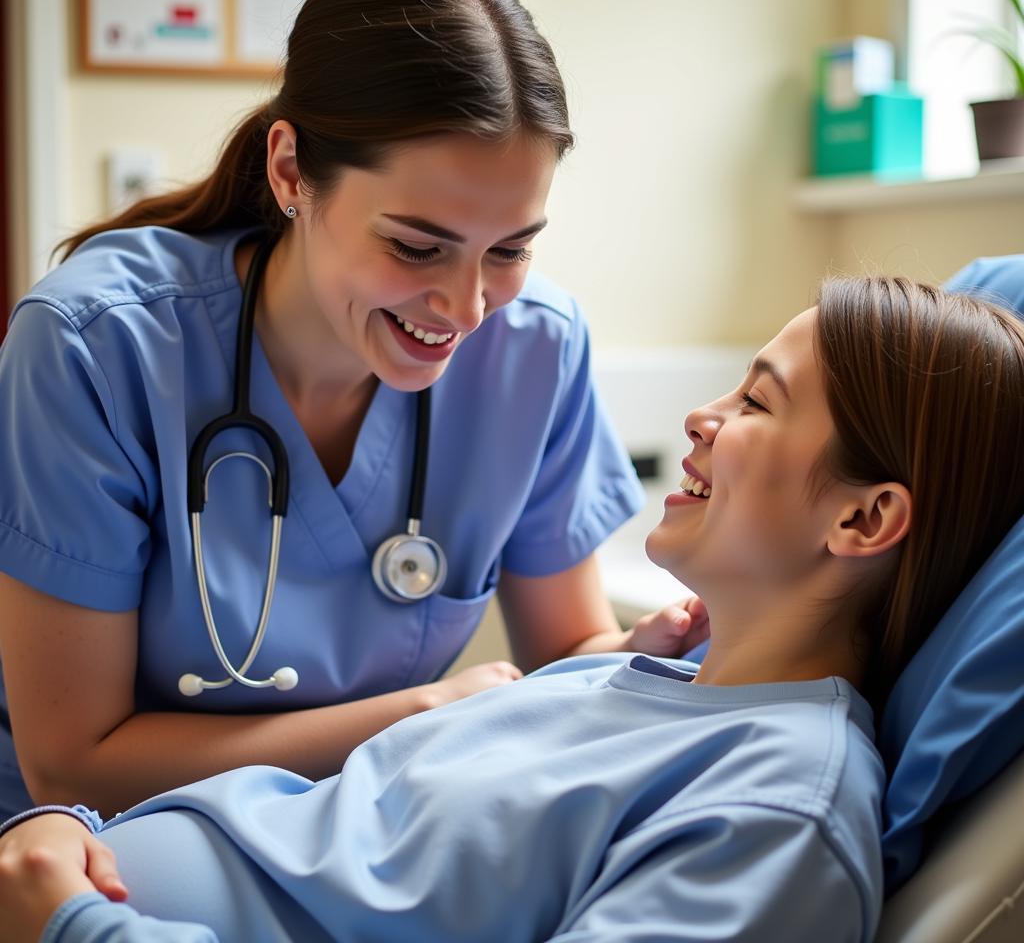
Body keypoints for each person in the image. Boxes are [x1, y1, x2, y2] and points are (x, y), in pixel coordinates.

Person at [3, 276, 1023, 943]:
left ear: (864, 517)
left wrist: (79, 926)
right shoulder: (632, 678)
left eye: (756, 403)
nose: (699, 419)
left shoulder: (777, 812)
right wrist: (68, 837)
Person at [0, 0, 707, 822]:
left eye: (512, 249)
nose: (468, 305)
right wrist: (419, 717)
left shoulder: (535, 350)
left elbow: (566, 648)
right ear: (291, 170)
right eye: (417, 246)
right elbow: (70, 765)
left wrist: (630, 655)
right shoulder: (96, 348)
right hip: (98, 854)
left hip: (355, 834)